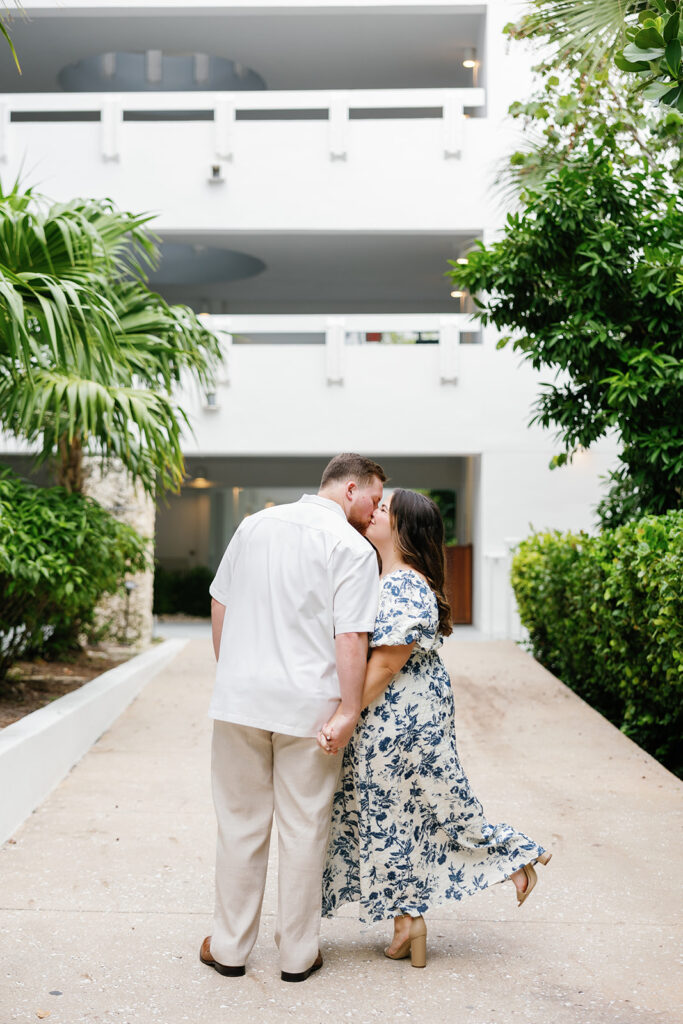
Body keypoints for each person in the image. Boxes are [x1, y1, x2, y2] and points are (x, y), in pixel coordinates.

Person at [318, 489, 551, 968]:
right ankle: (408, 921)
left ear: (403, 530)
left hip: (399, 714)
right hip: (400, 710)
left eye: (384, 509)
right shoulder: (392, 577)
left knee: (420, 805)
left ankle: (511, 856)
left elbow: (385, 663)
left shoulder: (403, 584)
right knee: (398, 812)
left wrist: (346, 714)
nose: (373, 512)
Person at [200, 453, 386, 983]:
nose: (375, 514)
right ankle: (298, 956)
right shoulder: (351, 548)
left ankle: (231, 950)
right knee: (305, 828)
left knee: (239, 825)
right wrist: (350, 708)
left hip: (241, 700)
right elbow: (350, 635)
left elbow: (220, 603)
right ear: (351, 489)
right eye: (373, 500)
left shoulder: (254, 525)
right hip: (310, 707)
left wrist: (233, 671)